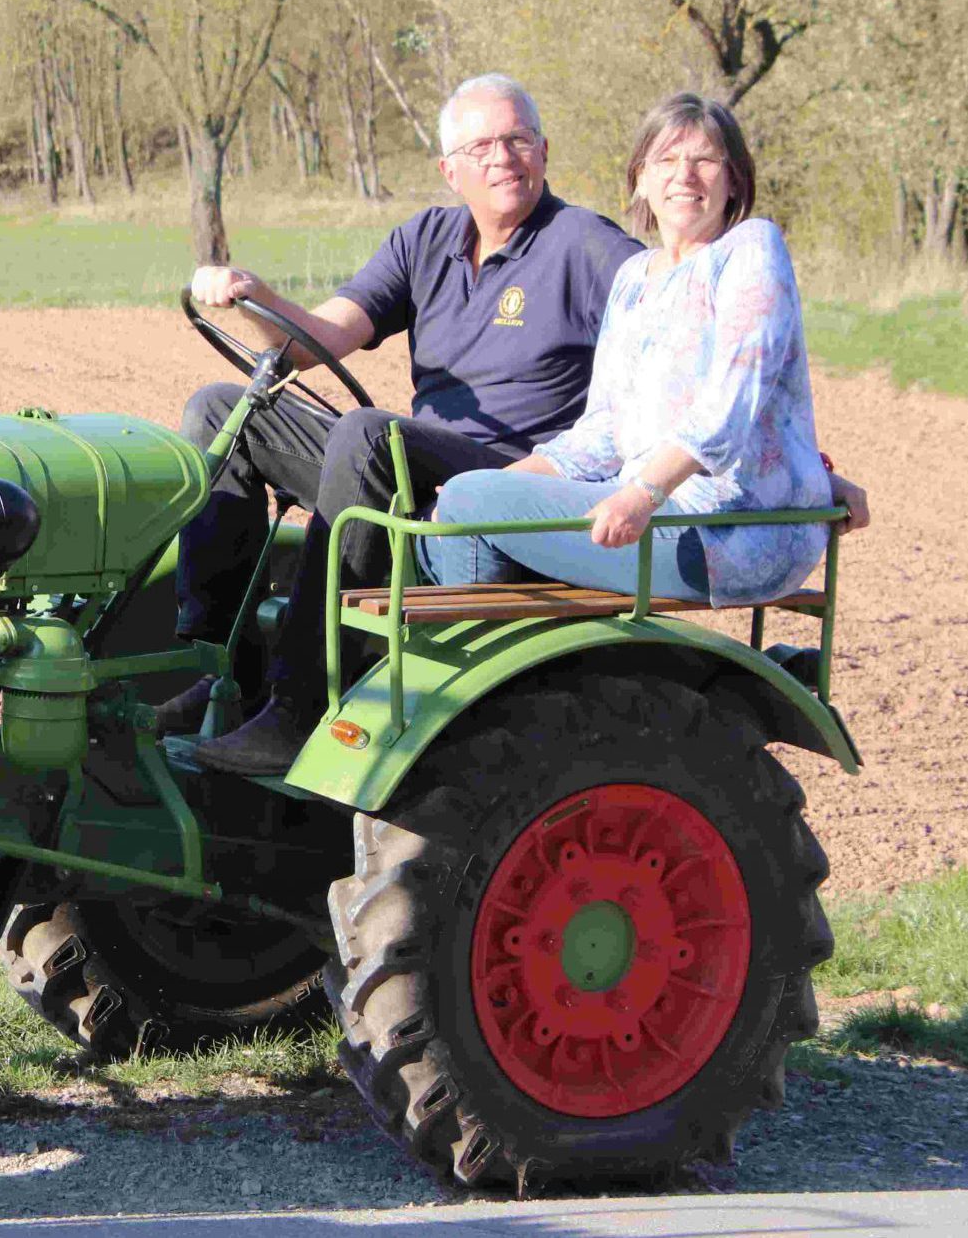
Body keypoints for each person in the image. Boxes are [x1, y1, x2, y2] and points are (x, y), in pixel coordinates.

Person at [170, 74, 869, 776]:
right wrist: (249, 297)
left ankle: (301, 705)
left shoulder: (603, 249)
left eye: (516, 140)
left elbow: (740, 381)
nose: (501, 157)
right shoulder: (444, 243)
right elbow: (313, 343)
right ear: (450, 169)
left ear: (542, 151)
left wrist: (802, 474)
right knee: (221, 410)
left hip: (569, 485)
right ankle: (207, 667)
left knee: (369, 435)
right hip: (466, 473)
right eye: (481, 146)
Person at [418, 93, 830, 609]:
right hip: (654, 510)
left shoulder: (749, 249)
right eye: (665, 161)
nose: (684, 176)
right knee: (467, 496)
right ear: (640, 177)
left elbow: (728, 406)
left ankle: (480, 672)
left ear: (734, 179)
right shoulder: (635, 278)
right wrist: (495, 483)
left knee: (467, 505)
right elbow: (603, 432)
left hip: (726, 529)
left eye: (704, 160)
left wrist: (642, 495)